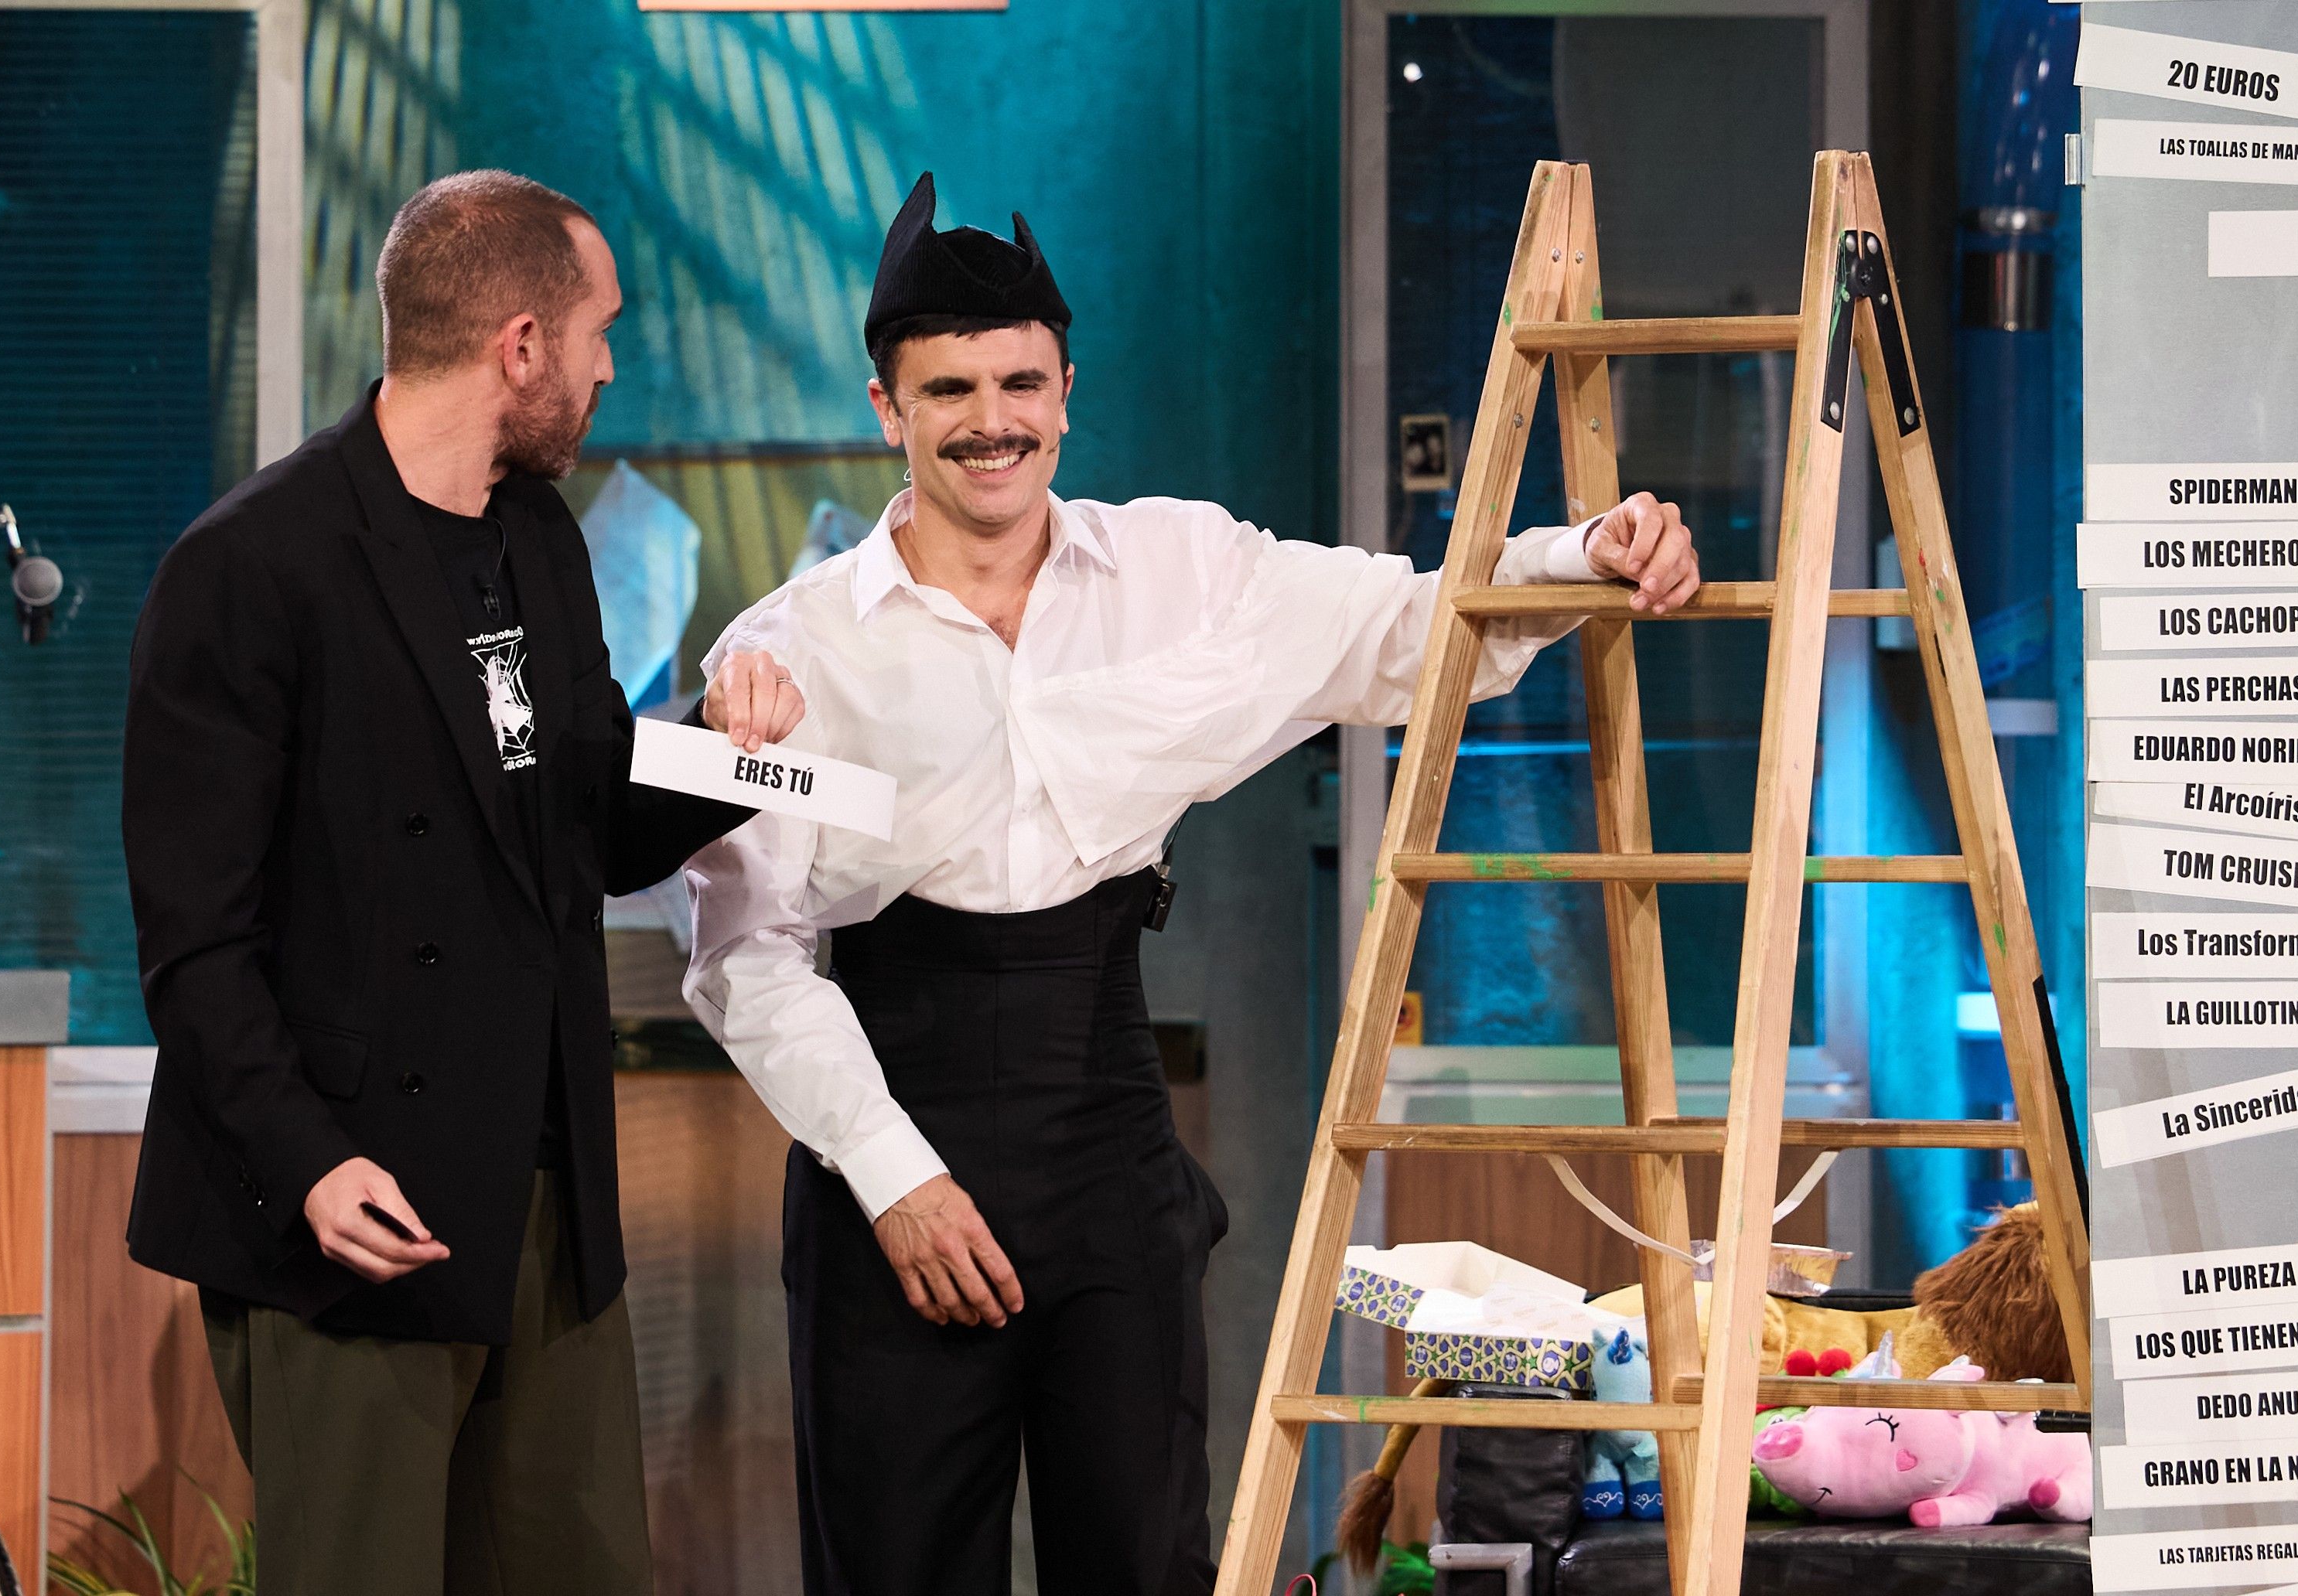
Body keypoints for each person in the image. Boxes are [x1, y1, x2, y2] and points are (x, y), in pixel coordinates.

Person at [685, 172, 1703, 1595]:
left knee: (1145, 1557)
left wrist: (1583, 554)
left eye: (1020, 383)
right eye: (950, 390)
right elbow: (745, 954)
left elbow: (1415, 626)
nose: (992, 420)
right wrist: (895, 1179)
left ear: (1066, 391)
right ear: (886, 409)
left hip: (1107, 1126)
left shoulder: (1183, 567)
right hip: (889, 1138)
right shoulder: (789, 648)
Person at [120, 170, 797, 1595]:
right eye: (600, 332)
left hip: (548, 1202)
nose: (609, 367)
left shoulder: (538, 538)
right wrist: (309, 1164)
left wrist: (732, 749)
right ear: (520, 344)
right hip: (350, 1211)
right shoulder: (248, 567)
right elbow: (196, 948)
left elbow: (590, 821)